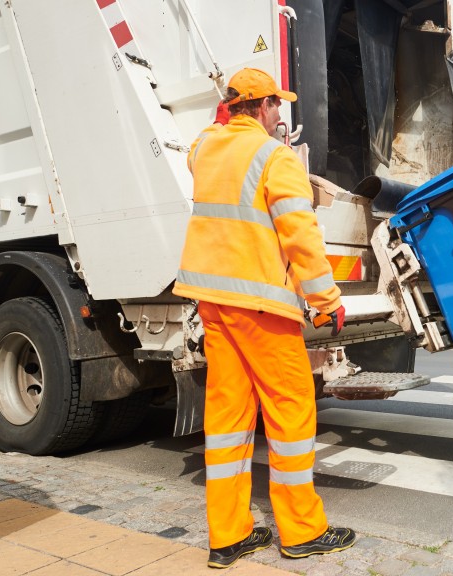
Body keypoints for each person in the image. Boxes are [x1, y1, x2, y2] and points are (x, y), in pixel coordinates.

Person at [173, 67, 356, 569]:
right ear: (260, 106)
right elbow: (301, 237)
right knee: (291, 411)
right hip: (261, 305)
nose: (282, 114)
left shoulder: (206, 148)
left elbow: (197, 147)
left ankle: (228, 536)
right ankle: (301, 531)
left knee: (228, 418)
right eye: (277, 104)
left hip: (213, 303)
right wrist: (326, 300)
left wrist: (222, 119)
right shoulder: (275, 157)